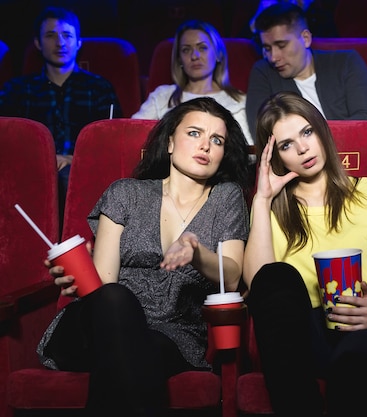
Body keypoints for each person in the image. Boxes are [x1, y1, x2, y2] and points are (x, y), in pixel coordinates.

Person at [36, 97, 250, 416]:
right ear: (169, 143)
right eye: (194, 133)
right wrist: (75, 279)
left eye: (216, 140)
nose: (205, 145)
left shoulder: (226, 198)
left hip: (172, 333)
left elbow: (232, 276)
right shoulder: (125, 193)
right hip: (95, 324)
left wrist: (195, 251)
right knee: (116, 300)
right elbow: (103, 285)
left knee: (133, 357)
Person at [243, 91, 367, 417]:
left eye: (307, 132)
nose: (303, 148)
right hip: (304, 336)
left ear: (322, 130)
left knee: (353, 363)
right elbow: (260, 285)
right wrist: (262, 200)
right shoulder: (272, 210)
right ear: (276, 156)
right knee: (278, 277)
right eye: (286, 145)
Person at [0, 6, 121, 208]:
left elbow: (113, 140)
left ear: (78, 42)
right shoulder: (17, 89)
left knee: (65, 178)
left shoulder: (99, 87)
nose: (60, 42)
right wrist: (46, 159)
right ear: (38, 43)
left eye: (67, 35)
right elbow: (7, 141)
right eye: (50, 35)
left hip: (83, 169)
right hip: (29, 170)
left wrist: (73, 158)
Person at [245, 3, 367, 137]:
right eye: (267, 48)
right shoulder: (263, 72)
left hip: (350, 153)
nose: (273, 57)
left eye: (281, 46)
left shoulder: (346, 63)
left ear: (305, 38)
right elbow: (261, 130)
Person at [132, 19, 254, 147]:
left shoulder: (239, 102)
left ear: (218, 54)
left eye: (202, 48)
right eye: (186, 50)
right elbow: (132, 137)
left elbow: (249, 152)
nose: (194, 56)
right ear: (179, 59)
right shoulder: (161, 97)